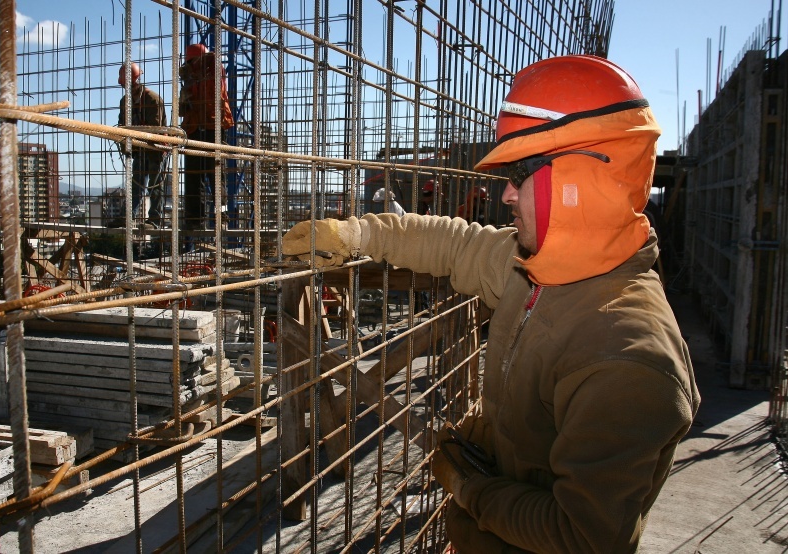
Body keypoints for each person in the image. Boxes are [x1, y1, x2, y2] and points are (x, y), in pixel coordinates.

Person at [282, 55, 700, 552]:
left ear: (577, 183)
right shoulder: (541, 267)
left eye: (520, 174)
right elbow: (458, 245)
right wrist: (360, 232)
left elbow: (583, 535)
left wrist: (472, 488)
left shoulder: (628, 359)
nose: (504, 194)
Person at [179, 43, 234, 230]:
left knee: (216, 176)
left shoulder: (213, 69)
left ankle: (221, 216)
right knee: (194, 177)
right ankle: (195, 220)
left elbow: (213, 93)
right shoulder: (189, 78)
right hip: (194, 128)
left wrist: (193, 77)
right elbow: (182, 107)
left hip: (212, 127)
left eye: (191, 62)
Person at [117, 62, 167, 228]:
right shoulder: (125, 101)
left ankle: (155, 220)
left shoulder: (152, 99)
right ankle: (128, 217)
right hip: (139, 149)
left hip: (155, 149)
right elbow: (122, 125)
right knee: (136, 185)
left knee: (155, 185)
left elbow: (156, 128)